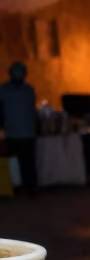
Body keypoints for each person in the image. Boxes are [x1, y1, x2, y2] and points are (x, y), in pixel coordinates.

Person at [0, 61, 38, 193]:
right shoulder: (29, 90)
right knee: (29, 162)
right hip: (28, 132)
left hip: (13, 133)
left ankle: (16, 186)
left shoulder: (3, 91)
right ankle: (31, 188)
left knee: (13, 162)